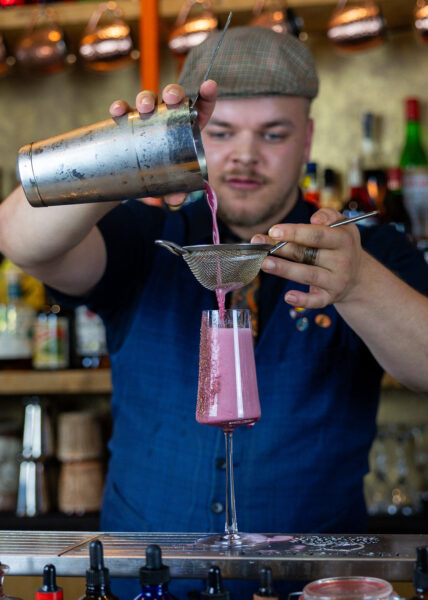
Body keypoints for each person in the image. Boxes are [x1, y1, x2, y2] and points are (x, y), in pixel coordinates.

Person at [1, 26, 428, 598]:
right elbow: (20, 238)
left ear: (307, 139)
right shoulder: (145, 239)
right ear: (193, 139)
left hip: (314, 585)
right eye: (221, 132)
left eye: (273, 134)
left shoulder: (366, 249)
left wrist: (359, 285)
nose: (246, 155)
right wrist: (130, 150)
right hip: (142, 582)